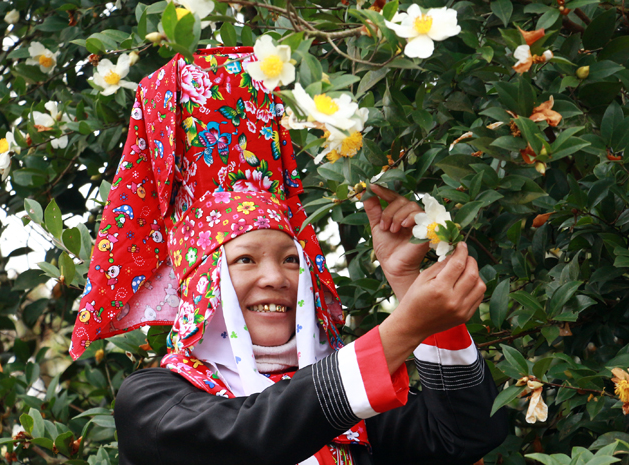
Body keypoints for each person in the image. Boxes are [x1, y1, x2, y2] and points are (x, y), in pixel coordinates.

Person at [70, 47, 508, 465]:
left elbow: (463, 436)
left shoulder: (351, 398)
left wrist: (410, 285)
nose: (276, 278)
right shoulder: (153, 401)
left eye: (290, 259)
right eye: (244, 260)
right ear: (203, 282)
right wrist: (400, 330)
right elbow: (249, 440)